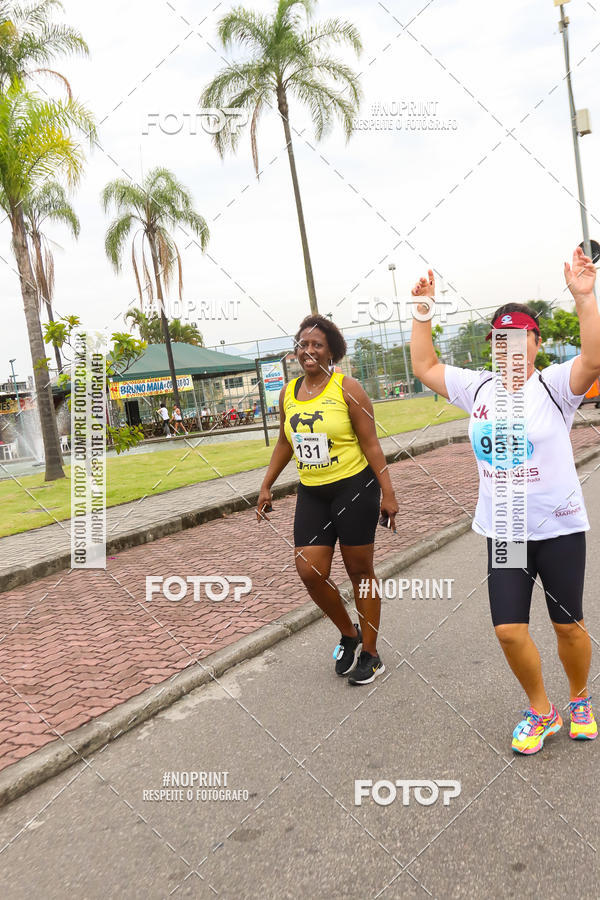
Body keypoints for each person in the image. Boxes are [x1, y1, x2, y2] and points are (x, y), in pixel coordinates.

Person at [410, 247, 600, 753]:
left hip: (558, 528)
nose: (511, 346)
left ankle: (580, 697)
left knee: (569, 627)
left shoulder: (555, 386)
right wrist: (423, 311)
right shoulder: (479, 389)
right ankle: (542, 709)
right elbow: (424, 364)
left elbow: (594, 359)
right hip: (508, 532)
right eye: (501, 338)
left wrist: (585, 296)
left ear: (536, 343)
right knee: (509, 630)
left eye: (521, 336)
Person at [256, 315, 399, 685]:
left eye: (317, 344)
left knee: (360, 573)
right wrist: (267, 484)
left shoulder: (348, 388)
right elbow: (286, 442)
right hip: (312, 492)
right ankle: (349, 634)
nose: (309, 350)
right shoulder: (289, 393)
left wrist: (388, 491)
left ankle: (371, 653)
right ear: (296, 351)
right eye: (304, 343)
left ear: (331, 351)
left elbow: (371, 443)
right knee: (310, 571)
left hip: (354, 487)